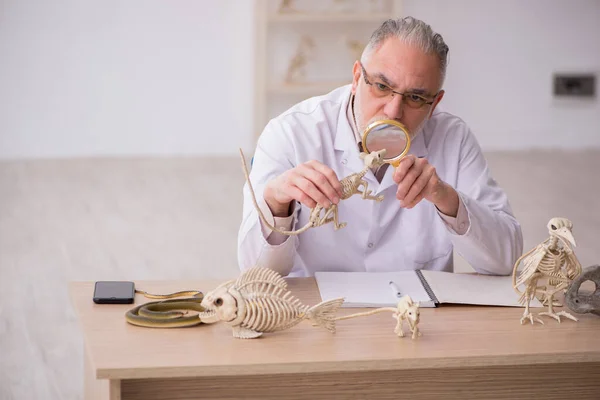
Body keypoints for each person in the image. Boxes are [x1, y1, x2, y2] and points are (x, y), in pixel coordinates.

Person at [237, 17, 523, 278]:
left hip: (416, 318)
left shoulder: (454, 139)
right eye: (382, 87)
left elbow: (507, 260)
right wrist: (276, 202)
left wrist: (447, 198)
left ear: (434, 104)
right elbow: (255, 273)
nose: (393, 111)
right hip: (317, 312)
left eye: (414, 97)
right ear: (356, 78)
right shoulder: (291, 133)